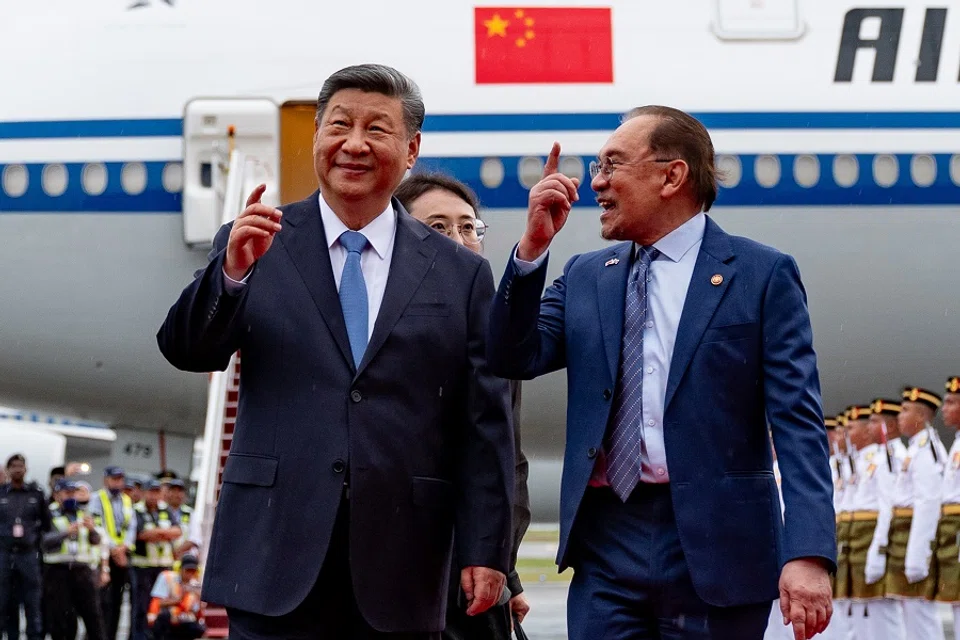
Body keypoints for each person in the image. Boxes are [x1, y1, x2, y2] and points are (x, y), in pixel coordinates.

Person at [157, 63, 515, 639]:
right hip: (274, 556)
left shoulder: (461, 273)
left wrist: (487, 548)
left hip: (405, 563)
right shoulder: (256, 240)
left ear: (410, 149)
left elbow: (486, 425)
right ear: (318, 136)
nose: (354, 143)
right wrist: (230, 275)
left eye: (376, 129)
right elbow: (186, 350)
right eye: (339, 125)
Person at [486, 106, 836, 639]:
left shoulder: (762, 276)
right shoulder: (586, 276)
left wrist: (808, 553)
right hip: (607, 541)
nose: (595, 183)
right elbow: (513, 356)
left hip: (718, 546)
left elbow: (798, 423)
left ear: (672, 176)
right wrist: (532, 250)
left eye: (612, 165)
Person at [394, 172, 532, 638]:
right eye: (438, 227)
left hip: (475, 580)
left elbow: (506, 462)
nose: (459, 240)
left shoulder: (494, 333)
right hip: (401, 573)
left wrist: (505, 570)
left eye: (468, 226)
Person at [886, 386, 946, 638]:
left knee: (919, 610)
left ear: (921, 417)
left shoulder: (926, 448)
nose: (899, 416)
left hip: (914, 535)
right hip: (904, 534)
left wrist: (917, 555)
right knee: (909, 607)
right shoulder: (916, 447)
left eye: (906, 410)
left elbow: (927, 501)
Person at [42, 479, 107, 640]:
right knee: (62, 618)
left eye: (73, 493)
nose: (71, 497)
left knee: (93, 615)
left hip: (82, 570)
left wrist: (92, 530)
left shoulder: (86, 513)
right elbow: (44, 541)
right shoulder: (48, 512)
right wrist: (66, 532)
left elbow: (96, 540)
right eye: (67, 493)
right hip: (58, 571)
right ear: (57, 495)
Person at [0, 454, 50, 640]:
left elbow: (47, 525)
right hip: (4, 554)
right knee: (5, 601)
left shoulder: (35, 494)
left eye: (20, 466)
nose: (17, 469)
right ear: (8, 470)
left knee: (32, 602)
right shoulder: (1, 493)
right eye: (13, 466)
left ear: (26, 469)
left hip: (28, 555)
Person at [87, 466, 135, 640]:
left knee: (116, 601)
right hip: (103, 557)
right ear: (105, 480)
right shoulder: (96, 499)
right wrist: (115, 548)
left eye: (120, 479)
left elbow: (131, 528)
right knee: (100, 602)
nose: (118, 482)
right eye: (114, 479)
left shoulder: (127, 501)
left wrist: (124, 547)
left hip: (121, 557)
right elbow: (98, 525)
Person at [130, 480, 181, 640]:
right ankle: (138, 635)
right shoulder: (136, 510)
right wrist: (164, 533)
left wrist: (156, 533)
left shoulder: (166, 509)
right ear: (144, 493)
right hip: (143, 566)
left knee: (162, 603)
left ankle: (158, 635)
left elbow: (177, 531)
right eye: (151, 492)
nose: (154, 495)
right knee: (141, 605)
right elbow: (141, 534)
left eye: (157, 492)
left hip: (164, 566)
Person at [937, 376, 960, 640]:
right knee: (954, 599)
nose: (945, 408)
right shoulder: (955, 443)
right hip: (952, 529)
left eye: (952, 402)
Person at [147, 553, 205, 640]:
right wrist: (179, 598)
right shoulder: (167, 577)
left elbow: (197, 610)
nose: (190, 574)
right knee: (164, 617)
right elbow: (158, 603)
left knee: (197, 628)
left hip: (184, 619)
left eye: (193, 571)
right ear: (181, 569)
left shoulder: (195, 584)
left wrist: (198, 599)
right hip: (166, 617)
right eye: (187, 570)